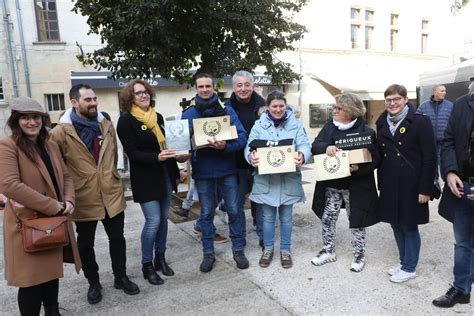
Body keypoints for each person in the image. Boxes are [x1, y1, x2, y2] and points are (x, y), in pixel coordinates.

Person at [50, 84, 139, 305]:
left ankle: (121, 277)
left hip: (111, 193)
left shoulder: (105, 124)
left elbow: (112, 154)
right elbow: (57, 166)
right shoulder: (60, 132)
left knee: (117, 239)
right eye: (87, 100)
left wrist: (112, 175)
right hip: (83, 197)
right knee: (86, 245)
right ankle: (94, 282)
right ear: (74, 103)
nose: (93, 103)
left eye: (94, 99)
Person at [0, 97, 80, 316]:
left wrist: (70, 200)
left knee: (51, 274)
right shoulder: (8, 146)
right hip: (25, 223)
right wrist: (53, 205)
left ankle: (53, 312)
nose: (31, 122)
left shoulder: (50, 144)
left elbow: (66, 177)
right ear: (16, 121)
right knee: (30, 283)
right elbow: (9, 185)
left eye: (35, 117)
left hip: (53, 222)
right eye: (25, 118)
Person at [181, 73, 248, 273]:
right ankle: (208, 252)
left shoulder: (226, 110)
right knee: (207, 213)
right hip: (202, 173)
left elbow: (242, 137)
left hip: (226, 170)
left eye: (208, 86)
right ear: (196, 88)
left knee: (235, 211)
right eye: (200, 86)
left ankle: (238, 250)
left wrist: (224, 147)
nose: (204, 89)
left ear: (213, 87)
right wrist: (184, 153)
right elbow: (182, 145)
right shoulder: (189, 114)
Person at [116, 79, 181, 285]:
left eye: (145, 92)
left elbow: (169, 145)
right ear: (130, 98)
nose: (143, 95)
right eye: (138, 93)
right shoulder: (126, 121)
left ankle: (160, 258)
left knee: (163, 221)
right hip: (145, 179)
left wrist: (178, 156)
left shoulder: (158, 117)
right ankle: (147, 265)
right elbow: (133, 154)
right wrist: (157, 157)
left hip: (165, 174)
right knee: (153, 221)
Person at [310, 93, 379, 272]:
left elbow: (375, 160)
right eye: (335, 107)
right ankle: (328, 250)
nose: (334, 111)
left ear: (350, 110)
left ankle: (359, 254)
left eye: (338, 108)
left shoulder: (366, 132)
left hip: (355, 187)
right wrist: (326, 147)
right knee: (327, 219)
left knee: (356, 221)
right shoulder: (329, 127)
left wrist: (359, 169)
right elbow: (315, 145)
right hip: (332, 185)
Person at [376, 84, 436, 283]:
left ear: (405, 100)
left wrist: (425, 188)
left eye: (396, 99)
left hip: (413, 184)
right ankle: (403, 262)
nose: (392, 103)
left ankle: (410, 267)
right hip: (390, 184)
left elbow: (430, 157)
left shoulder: (420, 122)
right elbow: (380, 156)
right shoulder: (382, 122)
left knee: (409, 225)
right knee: (395, 224)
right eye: (389, 100)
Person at [245, 90, 311, 269]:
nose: (278, 109)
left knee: (287, 218)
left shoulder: (296, 125)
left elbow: (305, 145)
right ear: (267, 107)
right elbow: (249, 148)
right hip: (266, 180)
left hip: (288, 179)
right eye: (274, 106)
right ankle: (268, 249)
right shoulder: (259, 126)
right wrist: (251, 157)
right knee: (267, 218)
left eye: (281, 106)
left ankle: (285, 250)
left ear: (285, 106)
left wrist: (302, 155)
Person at [432, 89, 474, 308]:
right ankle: (461, 288)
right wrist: (449, 172)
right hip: (463, 186)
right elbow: (447, 141)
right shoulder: (461, 104)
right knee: (463, 242)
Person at [226, 70, 266, 249]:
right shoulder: (225, 108)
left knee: (261, 202)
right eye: (239, 85)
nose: (243, 88)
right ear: (233, 88)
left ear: (252, 86)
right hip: (235, 163)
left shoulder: (264, 106)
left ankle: (263, 234)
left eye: (246, 84)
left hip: (261, 163)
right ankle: (239, 236)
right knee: (236, 204)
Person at [416, 84, 453, 188]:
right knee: (431, 163)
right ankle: (434, 184)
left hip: (445, 142)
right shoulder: (424, 106)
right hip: (429, 142)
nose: (444, 93)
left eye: (445, 91)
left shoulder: (450, 106)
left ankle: (448, 183)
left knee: (445, 163)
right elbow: (417, 121)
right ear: (434, 92)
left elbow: (455, 123)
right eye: (441, 91)